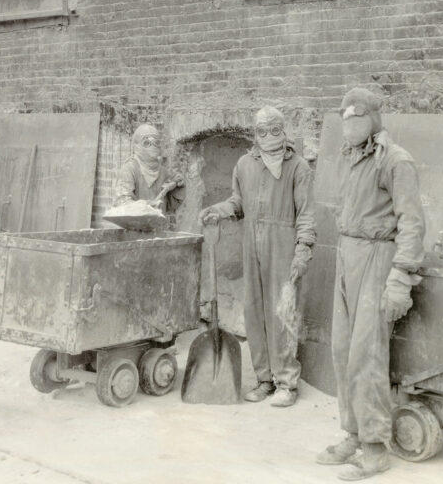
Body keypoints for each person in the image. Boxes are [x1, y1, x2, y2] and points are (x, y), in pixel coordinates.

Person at [317, 87, 425, 480]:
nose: (350, 126)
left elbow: (412, 223)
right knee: (342, 349)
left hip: (378, 258)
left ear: (375, 119)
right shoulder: (351, 158)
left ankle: (376, 447)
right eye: (345, 119)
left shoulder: (395, 162)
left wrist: (400, 278)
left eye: (358, 118)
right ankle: (353, 434)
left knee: (367, 354)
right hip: (348, 254)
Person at [200, 106, 316, 408]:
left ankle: (286, 383)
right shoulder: (244, 165)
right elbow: (239, 202)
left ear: (284, 130)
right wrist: (219, 210)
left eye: (275, 129)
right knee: (253, 311)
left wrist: (302, 249)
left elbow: (306, 214)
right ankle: (264, 379)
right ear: (255, 133)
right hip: (251, 244)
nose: (268, 136)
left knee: (281, 311)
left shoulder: (298, 168)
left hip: (283, 244)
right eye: (262, 131)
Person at [114, 123, 184, 216]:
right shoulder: (129, 169)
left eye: (156, 142)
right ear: (137, 145)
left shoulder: (163, 172)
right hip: (133, 227)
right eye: (146, 143)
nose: (153, 146)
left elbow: (171, 205)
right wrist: (148, 205)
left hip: (156, 227)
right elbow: (122, 204)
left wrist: (178, 186)